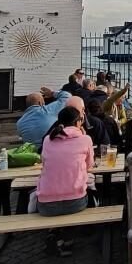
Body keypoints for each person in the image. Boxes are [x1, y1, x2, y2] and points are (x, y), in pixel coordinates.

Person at [36, 106, 94, 255]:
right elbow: (89, 166)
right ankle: (67, 240)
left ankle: (55, 235)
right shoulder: (85, 139)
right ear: (78, 122)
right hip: (75, 203)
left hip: (45, 205)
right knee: (89, 194)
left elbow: (44, 161)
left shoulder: (48, 140)